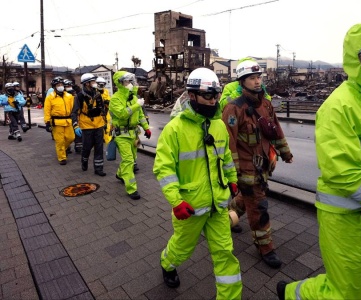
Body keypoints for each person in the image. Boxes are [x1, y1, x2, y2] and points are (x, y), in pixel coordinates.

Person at [277, 23, 361, 300]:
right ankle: (293, 293)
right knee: (345, 293)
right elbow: (344, 174)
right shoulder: (338, 107)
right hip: (348, 218)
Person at [153, 68, 242, 299]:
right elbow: (164, 169)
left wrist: (232, 182)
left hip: (218, 206)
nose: (213, 101)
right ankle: (167, 263)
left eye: (216, 96)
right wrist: (176, 201)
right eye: (208, 96)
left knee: (225, 253)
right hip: (190, 208)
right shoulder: (174, 129)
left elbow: (226, 159)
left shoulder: (219, 126)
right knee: (182, 249)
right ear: (191, 96)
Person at [222, 60, 293, 269]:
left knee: (246, 199)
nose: (257, 81)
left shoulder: (266, 104)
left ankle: (223, 221)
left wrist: (285, 152)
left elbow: (276, 130)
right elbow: (229, 143)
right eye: (252, 78)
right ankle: (265, 247)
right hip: (245, 169)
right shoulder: (234, 109)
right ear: (242, 82)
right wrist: (232, 173)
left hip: (262, 166)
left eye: (258, 77)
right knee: (259, 207)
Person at [109, 71, 151, 200]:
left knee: (132, 158)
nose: (130, 84)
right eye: (127, 81)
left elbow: (140, 116)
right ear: (120, 83)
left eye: (130, 81)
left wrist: (146, 128)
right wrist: (136, 105)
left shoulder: (133, 98)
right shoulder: (115, 99)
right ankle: (131, 188)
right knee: (129, 161)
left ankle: (120, 174)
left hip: (133, 134)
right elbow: (122, 114)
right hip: (121, 135)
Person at [71, 73, 107, 176]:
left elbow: (102, 110)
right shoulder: (80, 96)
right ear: (87, 83)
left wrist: (105, 123)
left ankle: (98, 169)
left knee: (99, 147)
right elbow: (74, 112)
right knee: (87, 147)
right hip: (86, 126)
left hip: (99, 124)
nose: (95, 83)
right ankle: (84, 160)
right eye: (93, 81)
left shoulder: (98, 95)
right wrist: (76, 125)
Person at [43, 77, 75, 165]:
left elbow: (73, 109)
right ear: (54, 87)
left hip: (68, 120)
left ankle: (62, 150)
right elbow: (47, 110)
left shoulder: (69, 96)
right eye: (58, 85)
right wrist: (47, 122)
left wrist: (75, 119)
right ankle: (62, 157)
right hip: (57, 122)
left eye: (61, 85)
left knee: (71, 138)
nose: (60, 86)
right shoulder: (50, 97)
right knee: (59, 140)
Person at [64, 79, 81, 154]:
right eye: (67, 86)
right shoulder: (62, 96)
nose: (69, 87)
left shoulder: (75, 95)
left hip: (76, 115)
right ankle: (66, 147)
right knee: (67, 135)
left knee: (78, 132)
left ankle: (78, 146)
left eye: (70, 86)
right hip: (66, 117)